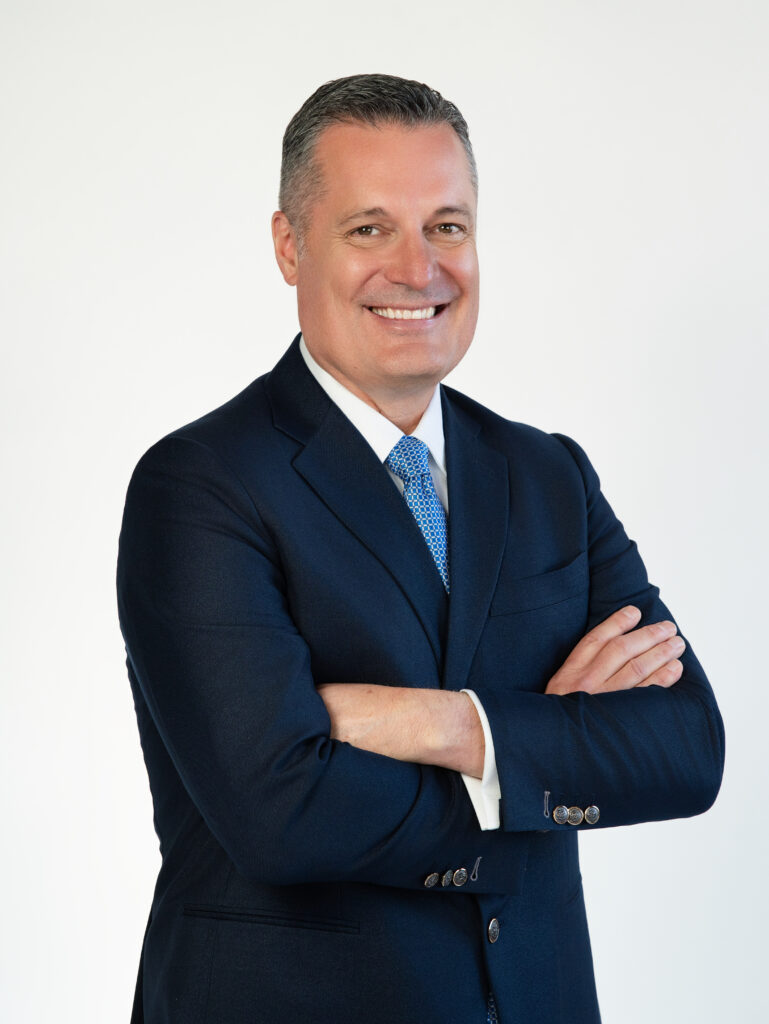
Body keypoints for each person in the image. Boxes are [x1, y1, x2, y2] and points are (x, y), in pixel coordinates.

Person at [117, 74, 724, 1024]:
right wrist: (544, 754)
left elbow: (686, 750)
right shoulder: (199, 487)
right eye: (369, 229)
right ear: (289, 244)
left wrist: (449, 727)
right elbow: (279, 816)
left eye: (446, 225)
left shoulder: (547, 474)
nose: (418, 269)